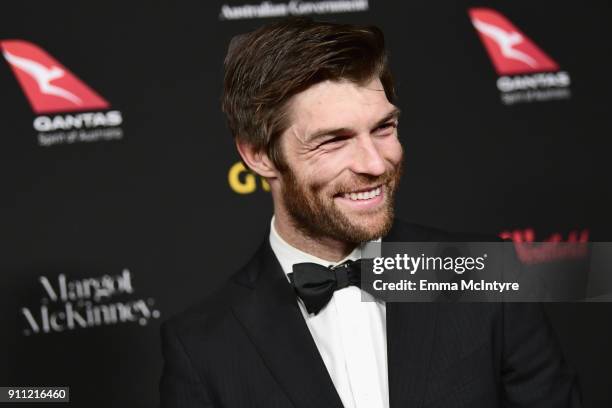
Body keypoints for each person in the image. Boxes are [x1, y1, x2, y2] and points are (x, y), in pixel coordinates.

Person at [160, 17, 580, 408]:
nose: (376, 164)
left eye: (383, 128)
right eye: (334, 140)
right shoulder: (202, 347)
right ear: (258, 155)